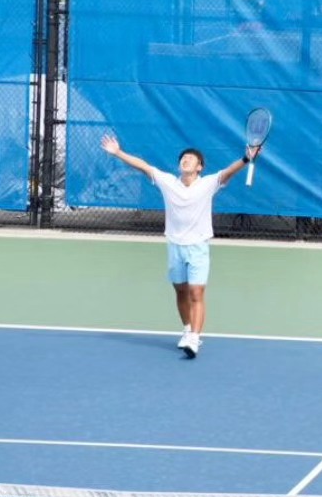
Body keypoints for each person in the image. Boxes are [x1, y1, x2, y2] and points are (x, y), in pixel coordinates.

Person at [100, 133, 261, 358]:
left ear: (199, 167)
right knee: (181, 291)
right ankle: (187, 329)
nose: (185, 160)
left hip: (198, 247)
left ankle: (194, 338)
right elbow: (144, 166)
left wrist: (245, 159)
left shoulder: (208, 184)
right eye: (183, 158)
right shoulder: (168, 182)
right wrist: (118, 152)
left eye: (190, 159)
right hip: (175, 246)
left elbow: (228, 173)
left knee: (196, 292)